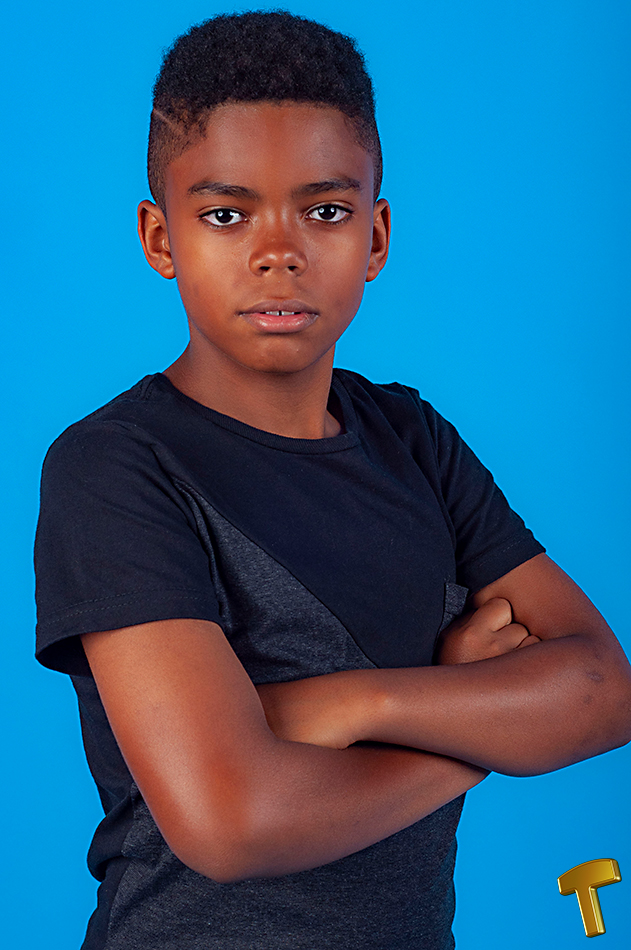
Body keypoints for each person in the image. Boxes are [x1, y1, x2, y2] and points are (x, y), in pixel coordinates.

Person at [34, 10, 631, 950]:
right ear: (160, 238)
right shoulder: (116, 468)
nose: (278, 251)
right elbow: (231, 822)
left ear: (376, 235)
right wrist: (473, 733)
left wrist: (361, 703)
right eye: (225, 214)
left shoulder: (411, 439)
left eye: (324, 211)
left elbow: (601, 688)